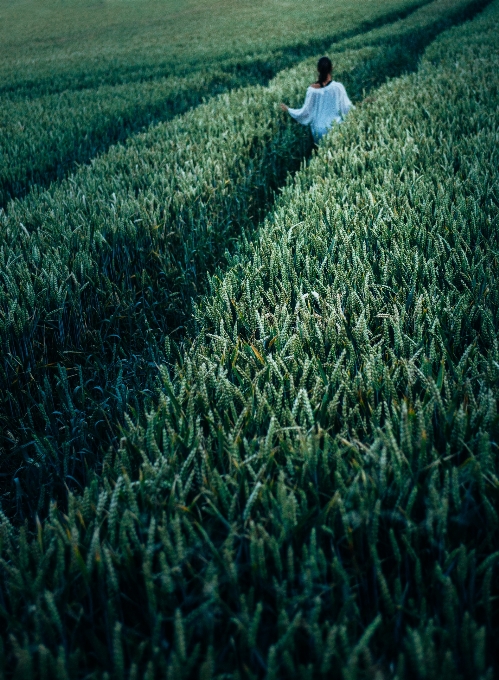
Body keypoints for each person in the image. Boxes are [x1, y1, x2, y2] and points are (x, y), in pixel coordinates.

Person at [280, 56, 353, 142]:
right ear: (332, 68)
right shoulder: (338, 87)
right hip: (335, 128)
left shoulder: (312, 90)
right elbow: (347, 108)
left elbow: (305, 112)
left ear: (318, 70)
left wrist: (289, 110)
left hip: (319, 132)